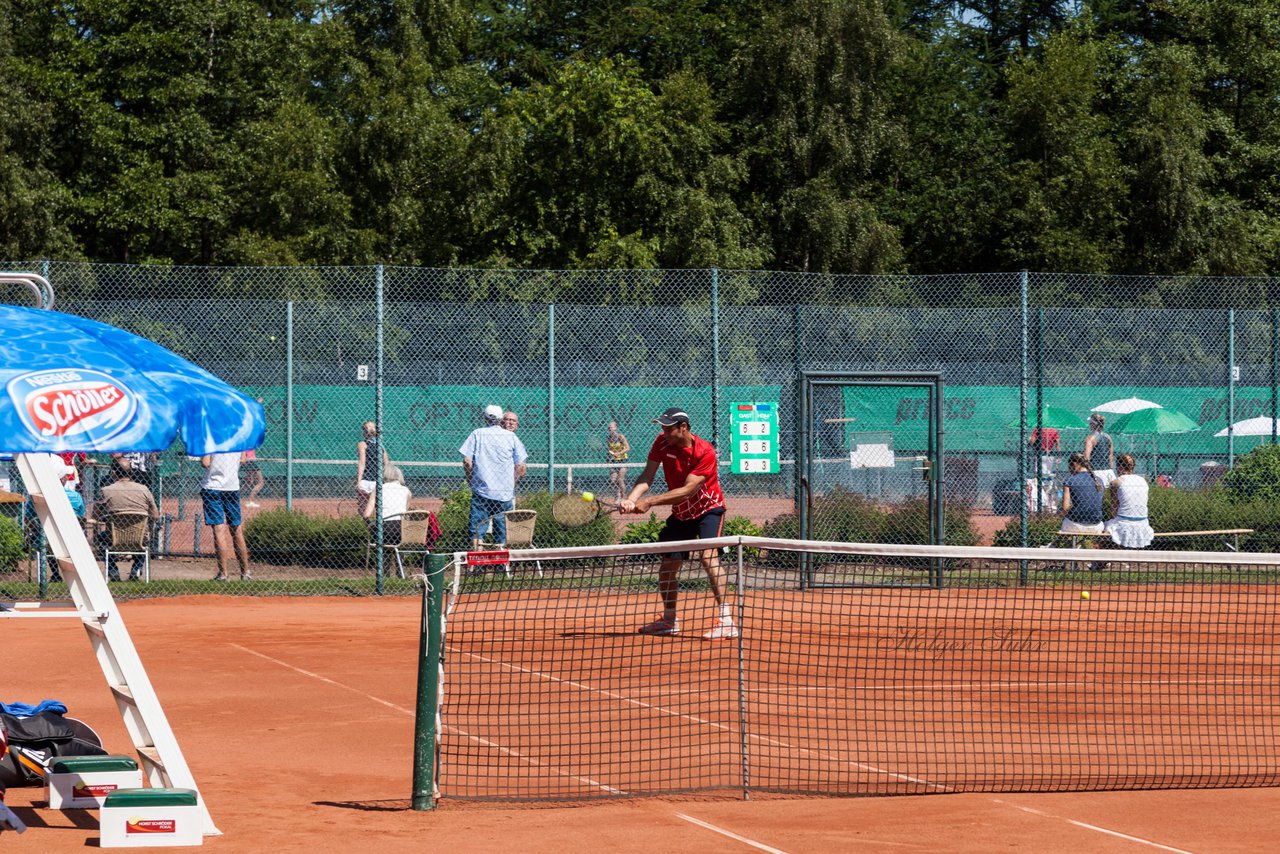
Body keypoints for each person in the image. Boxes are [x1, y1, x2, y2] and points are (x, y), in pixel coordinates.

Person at [620, 406, 736, 641]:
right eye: (662, 428)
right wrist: (631, 499)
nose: (664, 433)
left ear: (683, 428)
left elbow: (686, 491)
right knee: (668, 564)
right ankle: (670, 620)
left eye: (668, 429)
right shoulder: (661, 443)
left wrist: (650, 502)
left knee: (708, 556)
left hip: (708, 509)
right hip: (681, 514)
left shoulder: (705, 452)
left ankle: (726, 621)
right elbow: (647, 475)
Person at [460, 404, 528, 554]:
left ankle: (476, 565)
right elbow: (521, 466)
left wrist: (471, 479)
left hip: (482, 491)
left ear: (484, 417)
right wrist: (512, 482)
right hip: (504, 493)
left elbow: (467, 461)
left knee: (477, 530)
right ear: (501, 420)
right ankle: (501, 565)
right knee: (501, 530)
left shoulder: (477, 434)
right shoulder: (511, 437)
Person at [93, 459, 160, 582]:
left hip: (113, 537)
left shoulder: (107, 490)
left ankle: (113, 570)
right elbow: (156, 515)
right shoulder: (144, 489)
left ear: (114, 473)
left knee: (100, 538)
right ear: (131, 473)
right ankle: (136, 569)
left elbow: (95, 516)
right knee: (146, 539)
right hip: (139, 538)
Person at [23, 462, 87, 582]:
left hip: (46, 538)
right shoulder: (75, 496)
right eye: (65, 476)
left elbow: (29, 518)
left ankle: (56, 573)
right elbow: (82, 517)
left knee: (45, 536)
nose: (67, 478)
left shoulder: (36, 499)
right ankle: (77, 575)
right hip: (72, 537)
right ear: (62, 480)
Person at [201, 452, 252, 581]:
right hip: (232, 486)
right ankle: (245, 573)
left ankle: (223, 574)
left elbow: (205, 463)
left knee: (219, 530)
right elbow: (243, 459)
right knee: (236, 529)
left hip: (213, 486)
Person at [1104, 453, 1155, 549]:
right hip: (1143, 522)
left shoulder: (1116, 482)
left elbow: (1114, 510)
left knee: (1105, 528)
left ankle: (1101, 562)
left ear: (1119, 467)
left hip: (1123, 521)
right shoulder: (1143, 481)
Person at [362, 464, 412, 544]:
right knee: (398, 548)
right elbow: (406, 513)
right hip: (403, 529)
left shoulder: (378, 489)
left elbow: (366, 515)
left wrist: (370, 525)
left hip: (384, 528)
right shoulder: (407, 491)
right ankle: (400, 556)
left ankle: (382, 555)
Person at [1059, 452, 1104, 537]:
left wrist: (1060, 516)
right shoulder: (1099, 480)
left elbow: (1065, 508)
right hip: (1097, 525)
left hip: (1075, 524)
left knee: (1065, 523)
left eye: (1070, 466)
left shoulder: (1070, 480)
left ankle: (1064, 546)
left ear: (1075, 464)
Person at [356, 421, 390, 515]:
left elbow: (362, 463)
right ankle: (378, 526)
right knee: (378, 507)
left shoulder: (362, 444)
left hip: (366, 482)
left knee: (363, 507)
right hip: (378, 482)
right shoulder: (381, 446)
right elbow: (386, 464)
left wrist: (358, 481)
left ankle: (364, 525)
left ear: (364, 432)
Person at [1084, 413, 1116, 488]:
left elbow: (1086, 458)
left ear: (1094, 424)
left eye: (1091, 423)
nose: (1089, 425)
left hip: (1095, 472)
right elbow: (1110, 457)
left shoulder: (1090, 438)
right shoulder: (1108, 437)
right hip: (1108, 472)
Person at [606, 420, 631, 501]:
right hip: (613, 461)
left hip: (623, 460)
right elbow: (609, 449)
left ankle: (623, 497)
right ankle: (617, 495)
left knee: (620, 479)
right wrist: (610, 456)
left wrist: (619, 453)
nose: (610, 428)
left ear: (616, 428)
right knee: (613, 481)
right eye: (609, 427)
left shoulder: (620, 437)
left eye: (612, 427)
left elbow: (628, 448)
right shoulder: (608, 438)